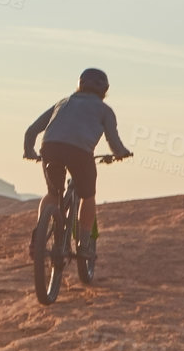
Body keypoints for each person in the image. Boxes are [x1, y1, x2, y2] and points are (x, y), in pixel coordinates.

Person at [23, 69, 132, 265]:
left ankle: (39, 236)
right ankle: (83, 245)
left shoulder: (62, 103)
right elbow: (113, 141)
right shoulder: (104, 110)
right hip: (80, 153)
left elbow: (32, 130)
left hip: (50, 148)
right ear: (104, 90)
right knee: (87, 196)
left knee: (53, 193)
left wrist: (29, 151)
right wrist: (121, 153)